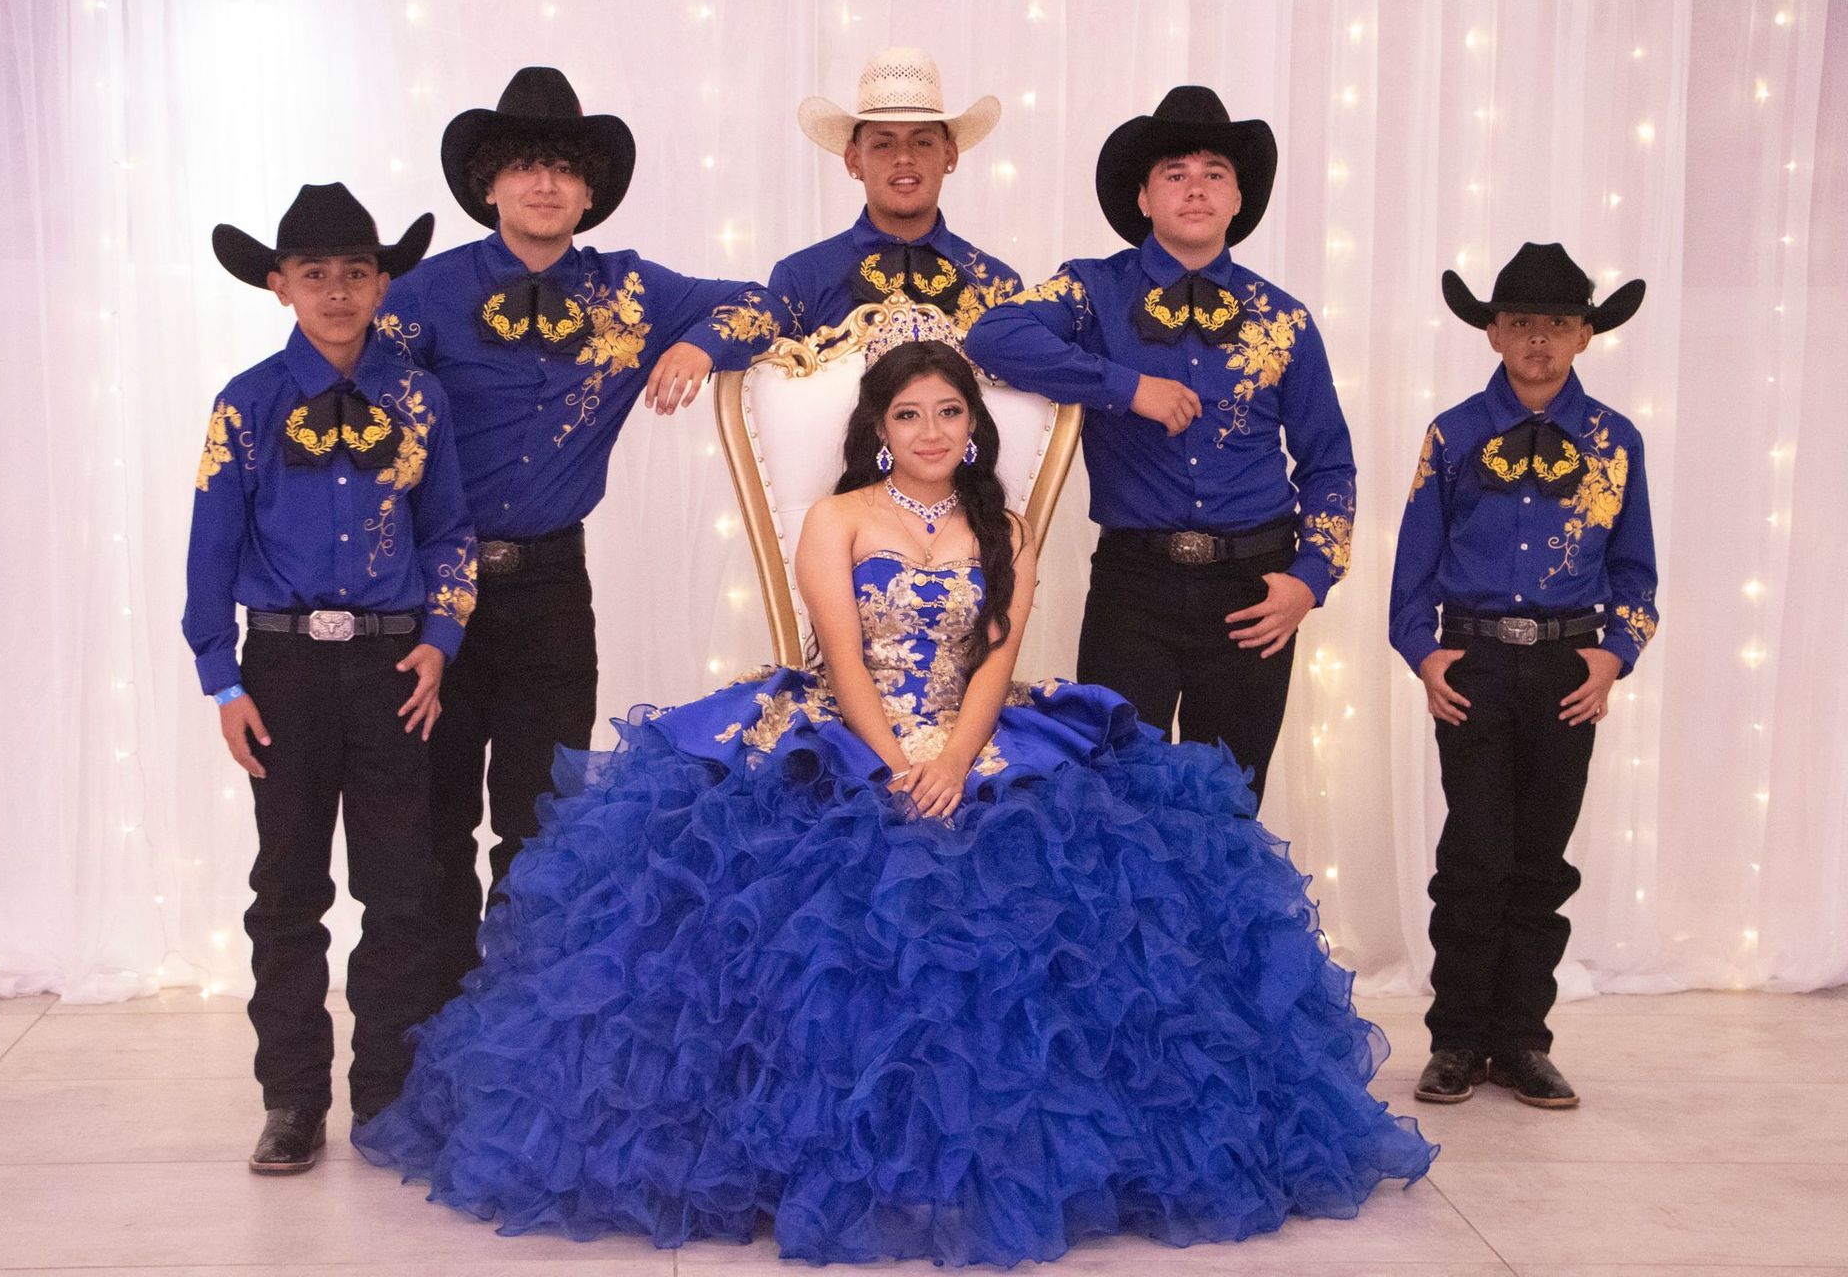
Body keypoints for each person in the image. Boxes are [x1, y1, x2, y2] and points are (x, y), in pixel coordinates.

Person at [353, 328, 1434, 1265]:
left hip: (972, 728)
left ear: (972, 426)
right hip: (849, 724)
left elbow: (997, 659)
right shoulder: (838, 516)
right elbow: (840, 655)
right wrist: (891, 758)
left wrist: (959, 758)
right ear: (879, 425)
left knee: (1091, 880)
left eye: (949, 411)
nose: (930, 429)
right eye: (909, 412)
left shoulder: (999, 524)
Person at [374, 67, 786, 999]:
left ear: (590, 191)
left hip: (553, 596)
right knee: (431, 822)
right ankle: (424, 1029)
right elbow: (360, 431)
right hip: (429, 594)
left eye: (563, 167)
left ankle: (513, 1029)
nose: (545, 184)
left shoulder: (631, 291)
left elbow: (764, 305)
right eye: (524, 165)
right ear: (489, 184)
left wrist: (697, 343)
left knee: (544, 819)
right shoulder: (423, 295)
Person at [183, 182, 478, 1173]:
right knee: (288, 887)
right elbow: (208, 555)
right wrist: (224, 680)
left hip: (393, 664)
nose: (338, 291)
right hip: (284, 665)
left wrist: (439, 635)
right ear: (280, 286)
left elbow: (449, 533)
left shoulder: (419, 398)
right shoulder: (246, 404)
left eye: (356, 272)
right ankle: (294, 1098)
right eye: (316, 274)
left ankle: (386, 1095)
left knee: (402, 885)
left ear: (383, 280)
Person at [966, 86, 1356, 801]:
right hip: (1133, 589)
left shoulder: (1285, 320)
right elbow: (992, 336)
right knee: (1117, 799)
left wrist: (1312, 578)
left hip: (1253, 589)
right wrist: (1124, 385)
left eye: (1214, 172)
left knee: (1228, 806)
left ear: (1239, 198)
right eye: (1174, 173)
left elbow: (1329, 462)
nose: (1196, 188)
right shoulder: (1090, 291)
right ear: (1143, 198)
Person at [1391, 242, 1660, 1109]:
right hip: (1472, 661)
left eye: (1556, 323)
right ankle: (1458, 1041)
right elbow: (1413, 563)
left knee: (1540, 860)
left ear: (1585, 335)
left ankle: (1523, 1040)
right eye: (1518, 323)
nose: (1537, 339)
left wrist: (1614, 653)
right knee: (1474, 854)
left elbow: (1636, 570)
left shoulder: (1616, 441)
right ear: (1493, 334)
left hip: (1564, 668)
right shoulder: (1454, 435)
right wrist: (1423, 651)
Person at [768, 47, 1020, 338]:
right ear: (853, 160)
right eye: (883, 145)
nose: (903, 158)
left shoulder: (999, 286)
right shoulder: (802, 278)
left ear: (950, 155)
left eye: (923, 142)